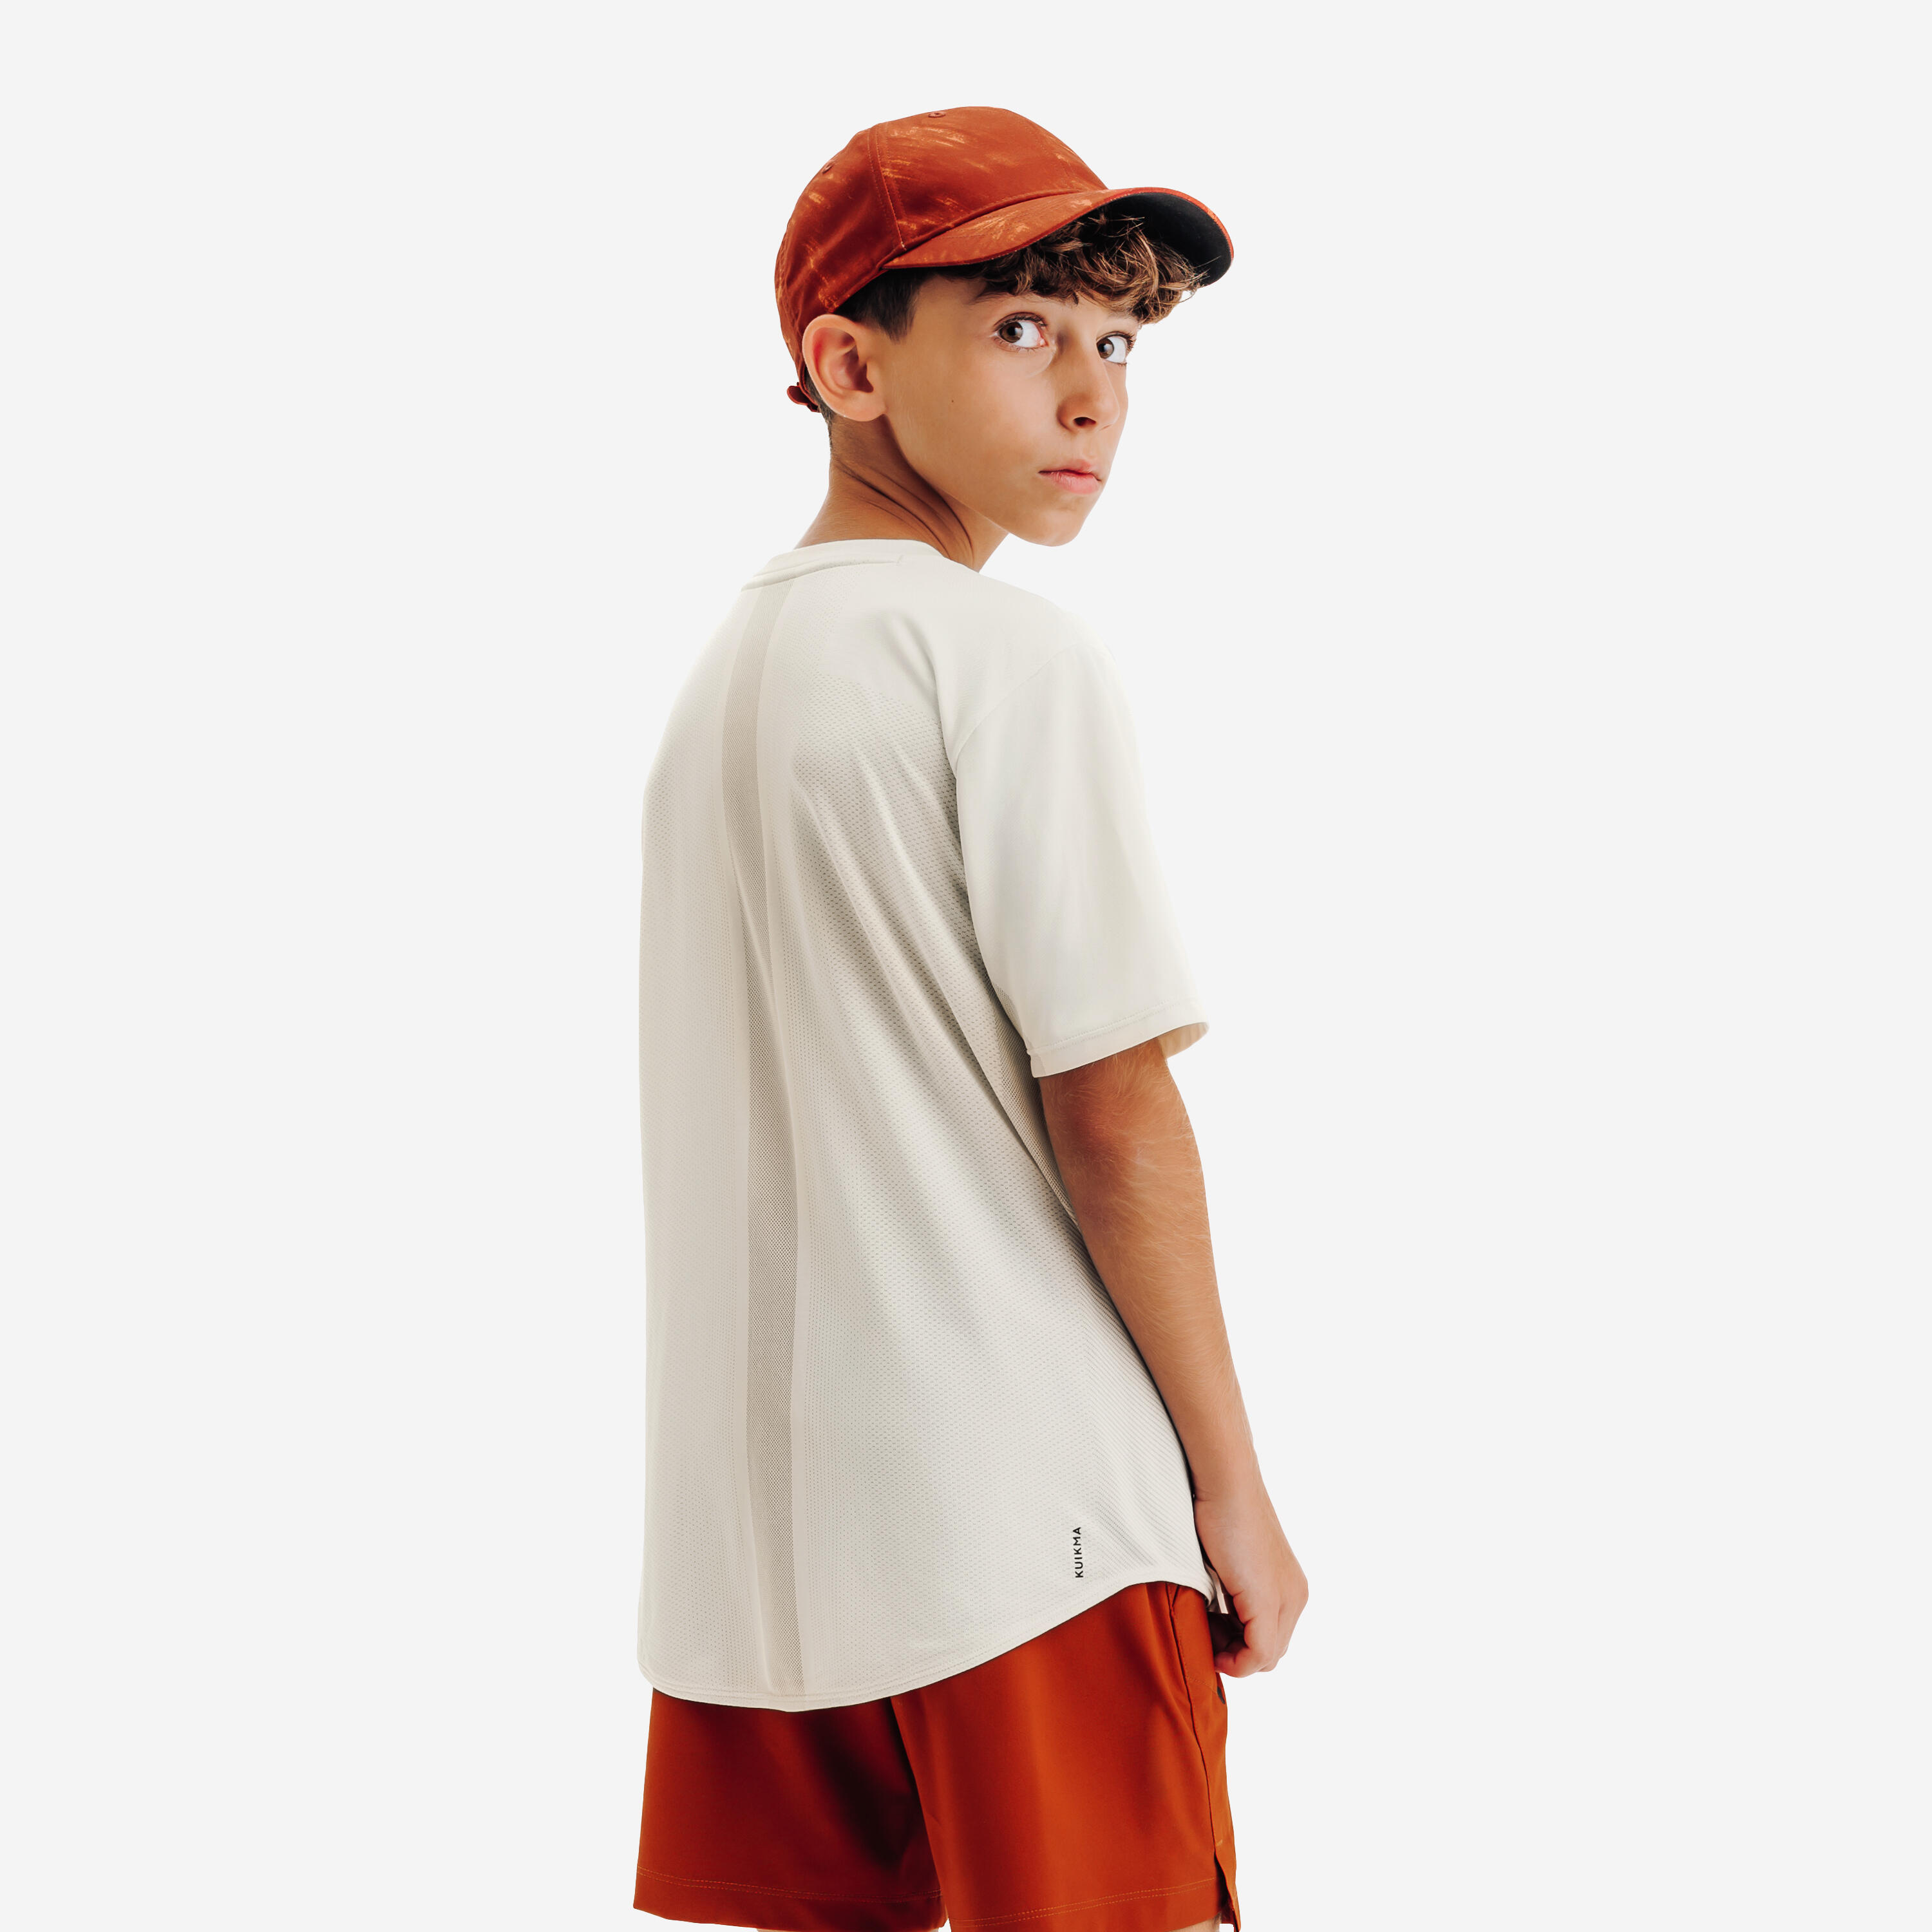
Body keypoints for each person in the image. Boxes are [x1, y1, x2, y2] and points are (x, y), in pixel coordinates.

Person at [632, 106, 1308, 1932]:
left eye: (1118, 343)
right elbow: (1114, 1112)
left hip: (757, 1563)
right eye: (1020, 329)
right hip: (1034, 1527)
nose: (1090, 396)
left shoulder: (724, 685)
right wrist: (1231, 1491)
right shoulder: (1002, 655)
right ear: (851, 368)